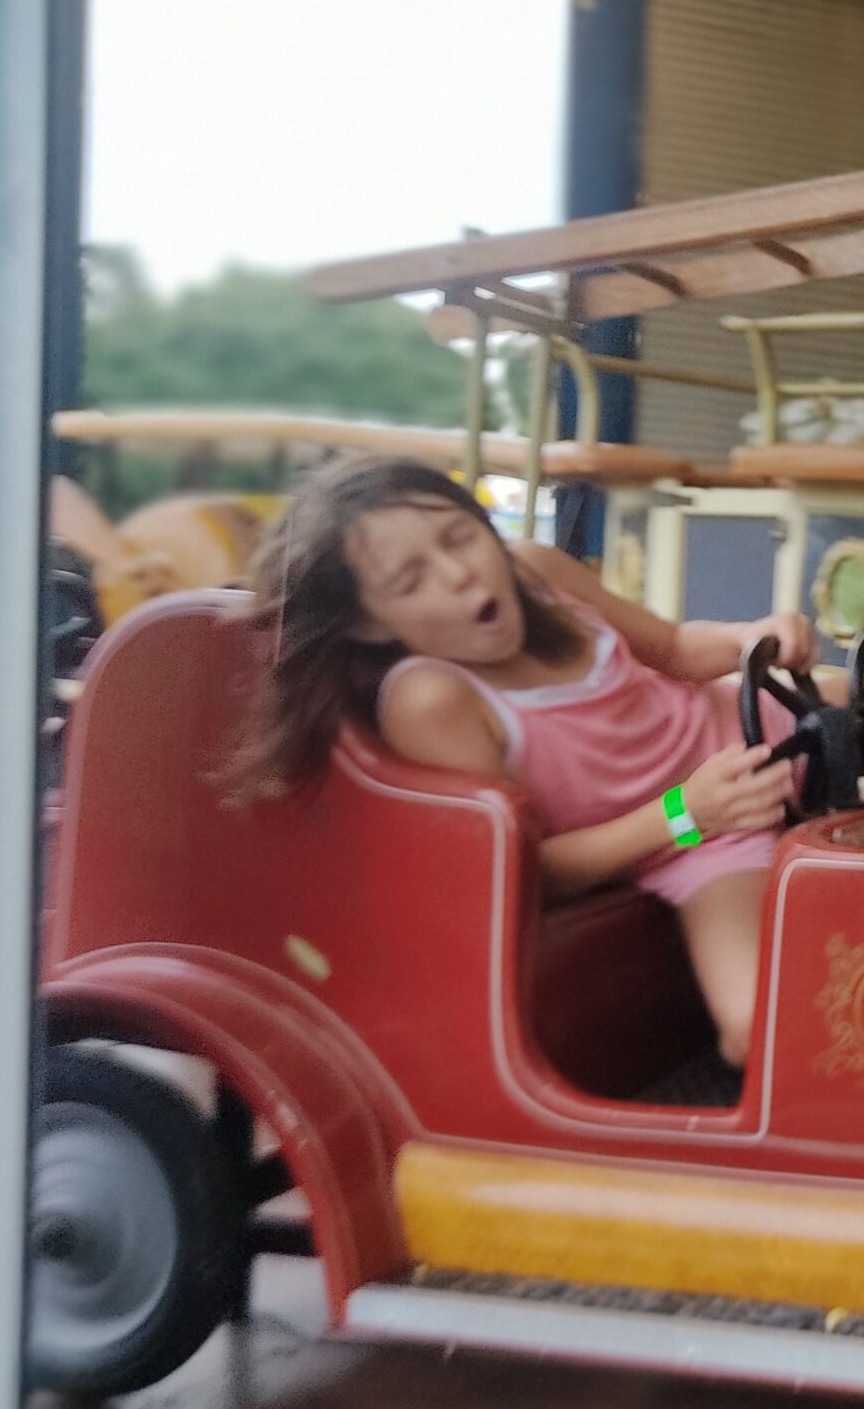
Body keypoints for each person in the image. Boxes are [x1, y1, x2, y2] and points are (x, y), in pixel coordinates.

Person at [231, 457, 813, 1070]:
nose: (459, 572)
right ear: (369, 624)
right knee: (760, 1030)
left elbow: (672, 648)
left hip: (766, 726)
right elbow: (531, 869)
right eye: (410, 580)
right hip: (700, 844)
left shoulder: (537, 571)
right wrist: (687, 814)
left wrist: (753, 638)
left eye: (460, 537)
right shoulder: (432, 701)